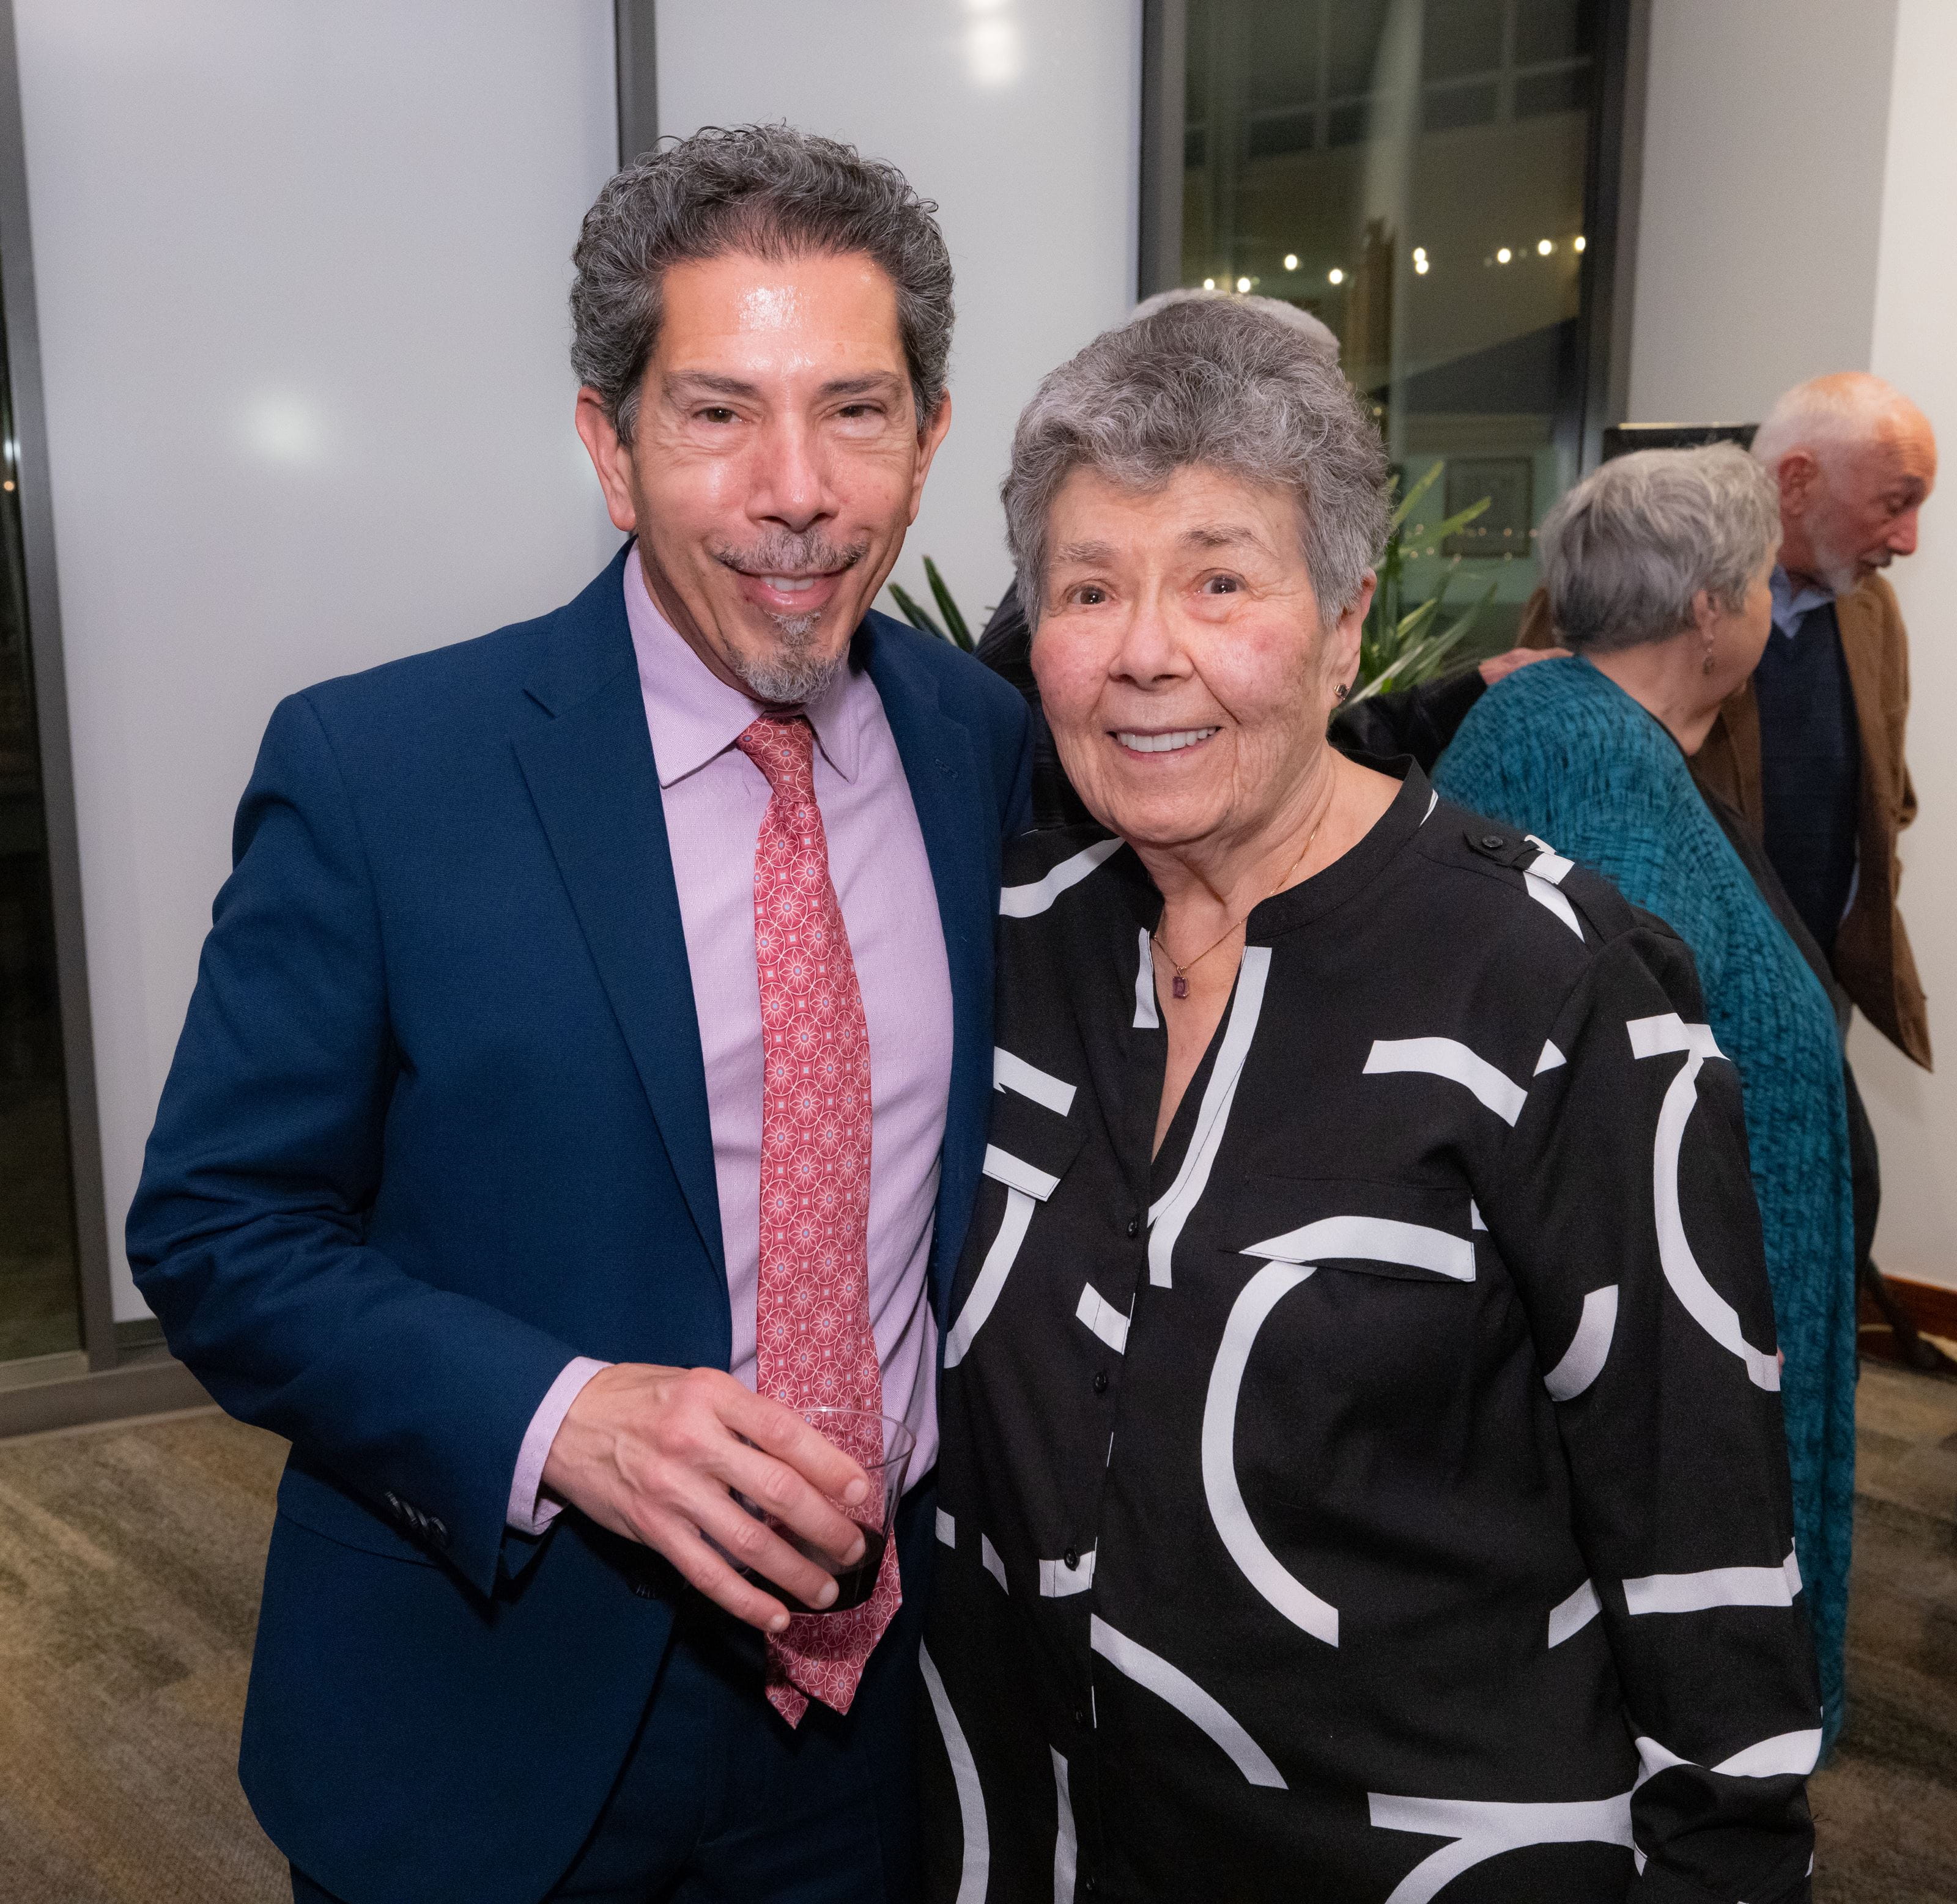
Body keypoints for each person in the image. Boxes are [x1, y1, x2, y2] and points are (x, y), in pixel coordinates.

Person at [127, 125, 1030, 1904]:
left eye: (854, 410)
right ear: (608, 449)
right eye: (716, 412)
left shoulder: (979, 747)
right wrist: (562, 1418)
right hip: (491, 1708)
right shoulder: (383, 773)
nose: (797, 487)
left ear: (928, 442)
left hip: (876, 1727)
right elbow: (217, 1229)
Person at [923, 298, 1819, 1902]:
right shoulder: (1006, 941)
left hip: (1428, 1852)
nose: (1144, 649)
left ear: (1345, 622)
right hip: (1030, 1839)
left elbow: (1704, 1540)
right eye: (1089, 586)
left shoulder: (1556, 985)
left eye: (1219, 578)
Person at [1437, 445, 1856, 1748]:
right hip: (1666, 1357)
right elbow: (1615, 1099)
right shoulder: (1584, 759)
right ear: (1711, 609)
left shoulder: (1595, 729)